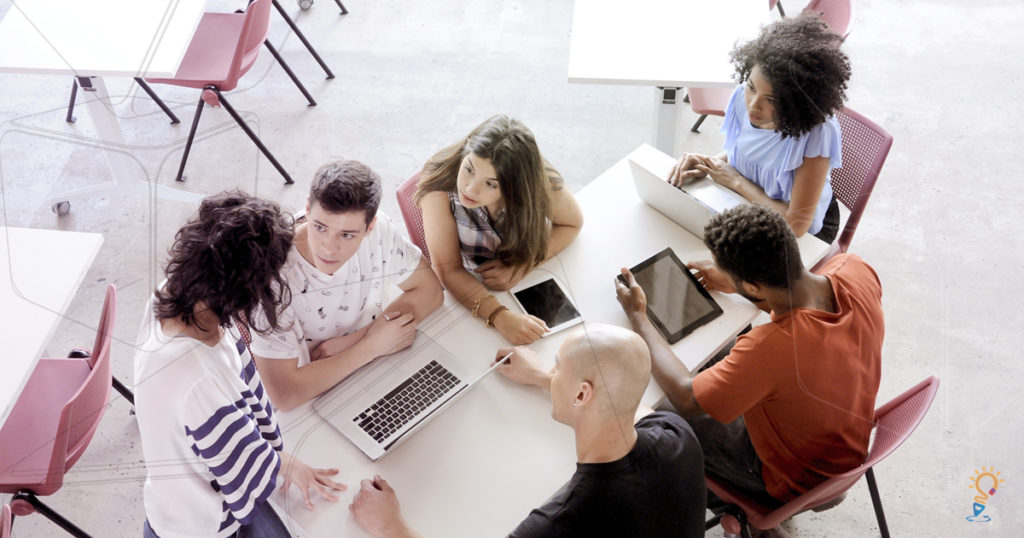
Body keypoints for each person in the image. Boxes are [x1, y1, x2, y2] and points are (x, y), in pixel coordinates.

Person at [615, 204, 884, 523]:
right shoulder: (854, 268)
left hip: (792, 478)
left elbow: (686, 398)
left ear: (754, 285)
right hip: (843, 445)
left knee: (647, 415)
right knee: (724, 357)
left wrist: (638, 317)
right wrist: (742, 288)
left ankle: (733, 511)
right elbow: (800, 310)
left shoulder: (771, 346)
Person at [348, 324, 707, 537]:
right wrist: (541, 377)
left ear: (582, 393)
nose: (552, 371)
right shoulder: (677, 433)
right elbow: (622, 403)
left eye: (558, 366)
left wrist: (391, 525)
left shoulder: (562, 521)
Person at [134, 192, 345, 537]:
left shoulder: (175, 295)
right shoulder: (195, 375)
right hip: (201, 524)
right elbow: (241, 466)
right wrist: (281, 463)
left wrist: (283, 461)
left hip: (174, 503)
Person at [250, 160, 444, 411]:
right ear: (308, 209)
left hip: (375, 368)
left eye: (347, 235)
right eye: (319, 227)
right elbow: (284, 395)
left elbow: (430, 290)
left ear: (369, 226)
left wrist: (357, 340)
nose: (329, 247)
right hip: (313, 402)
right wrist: (369, 348)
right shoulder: (271, 277)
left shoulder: (379, 231)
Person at [669, 14, 852, 242]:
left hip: (802, 233)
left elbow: (797, 225)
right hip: (750, 201)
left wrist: (736, 181)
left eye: (772, 100)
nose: (754, 105)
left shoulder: (817, 131)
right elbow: (747, 153)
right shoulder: (741, 97)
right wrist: (709, 164)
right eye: (752, 87)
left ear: (797, 103)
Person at [416, 115, 584, 345]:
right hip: (473, 283)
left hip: (525, 279)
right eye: (469, 169)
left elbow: (571, 223)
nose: (470, 188)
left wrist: (523, 266)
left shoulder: (534, 179)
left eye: (491, 184)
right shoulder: (439, 185)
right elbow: (448, 269)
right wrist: (499, 316)